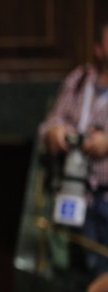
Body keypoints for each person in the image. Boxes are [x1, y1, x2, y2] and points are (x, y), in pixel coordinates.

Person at [39, 19, 108, 277]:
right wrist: (56, 133)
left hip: (105, 196)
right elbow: (50, 123)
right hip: (71, 190)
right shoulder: (80, 80)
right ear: (98, 49)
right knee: (68, 273)